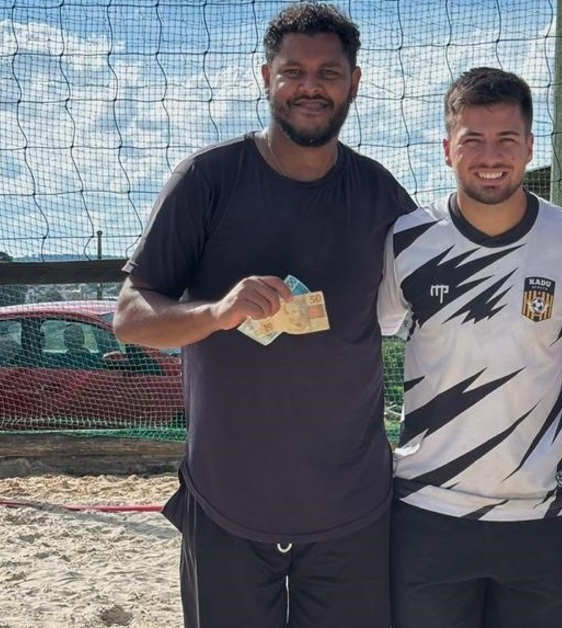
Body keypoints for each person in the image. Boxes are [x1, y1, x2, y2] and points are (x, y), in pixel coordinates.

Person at [112, 2, 415, 627]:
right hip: (228, 501)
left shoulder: (380, 193)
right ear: (265, 78)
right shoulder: (206, 179)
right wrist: (216, 312)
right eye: (293, 71)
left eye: (329, 73)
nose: (311, 86)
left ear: (354, 83)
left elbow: (443, 299)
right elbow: (132, 317)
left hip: (353, 507)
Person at [377, 67, 562, 628]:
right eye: (472, 139)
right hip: (428, 514)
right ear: (446, 147)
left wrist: (554, 398)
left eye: (507, 139)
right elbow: (359, 345)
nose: (490, 155)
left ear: (530, 146)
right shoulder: (408, 238)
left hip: (547, 518)